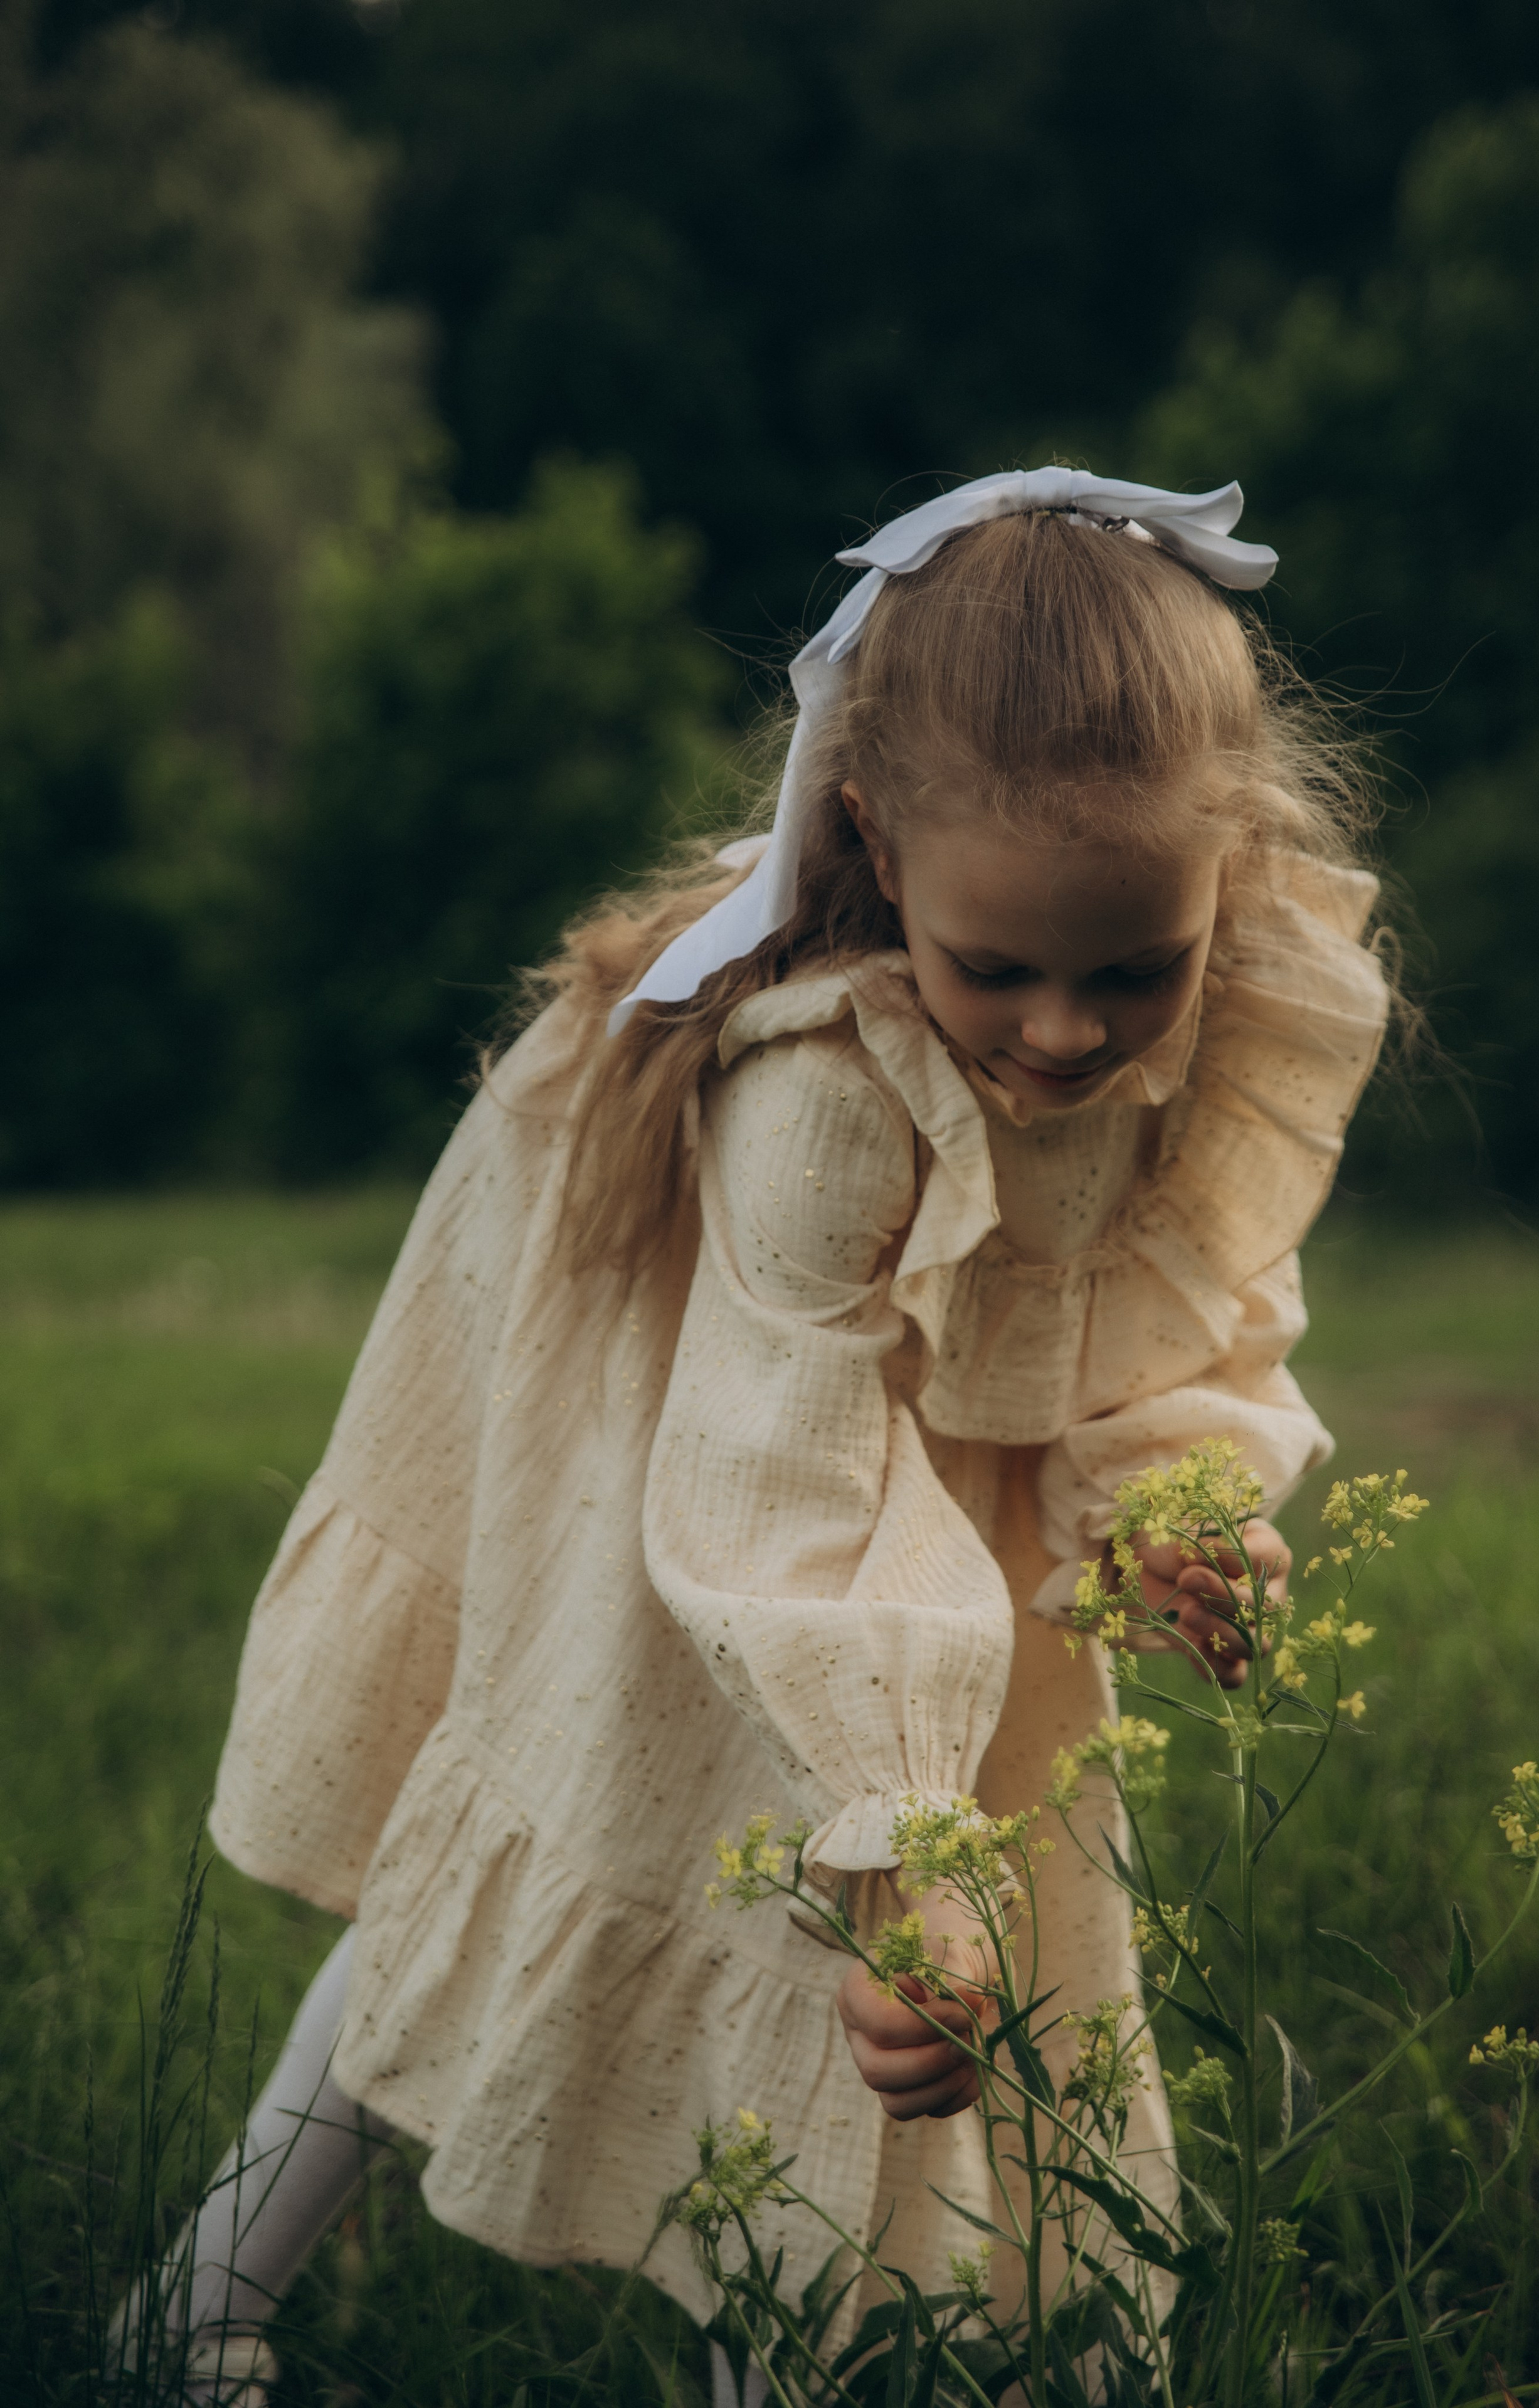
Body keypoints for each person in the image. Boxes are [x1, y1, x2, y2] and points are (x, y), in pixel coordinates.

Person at [147, 468, 1390, 2402]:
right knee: (574, 1835)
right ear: (880, 851)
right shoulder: (829, 1087)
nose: (1066, 1032)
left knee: (874, 2002)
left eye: (1129, 968)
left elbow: (1201, 1303)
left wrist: (1176, 1508)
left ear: (1217, 879)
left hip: (930, 1515)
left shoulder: (1212, 1028)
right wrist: (901, 1832)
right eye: (1004, 969)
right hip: (716, 1500)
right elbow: (789, 1465)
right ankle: (208, 2294)